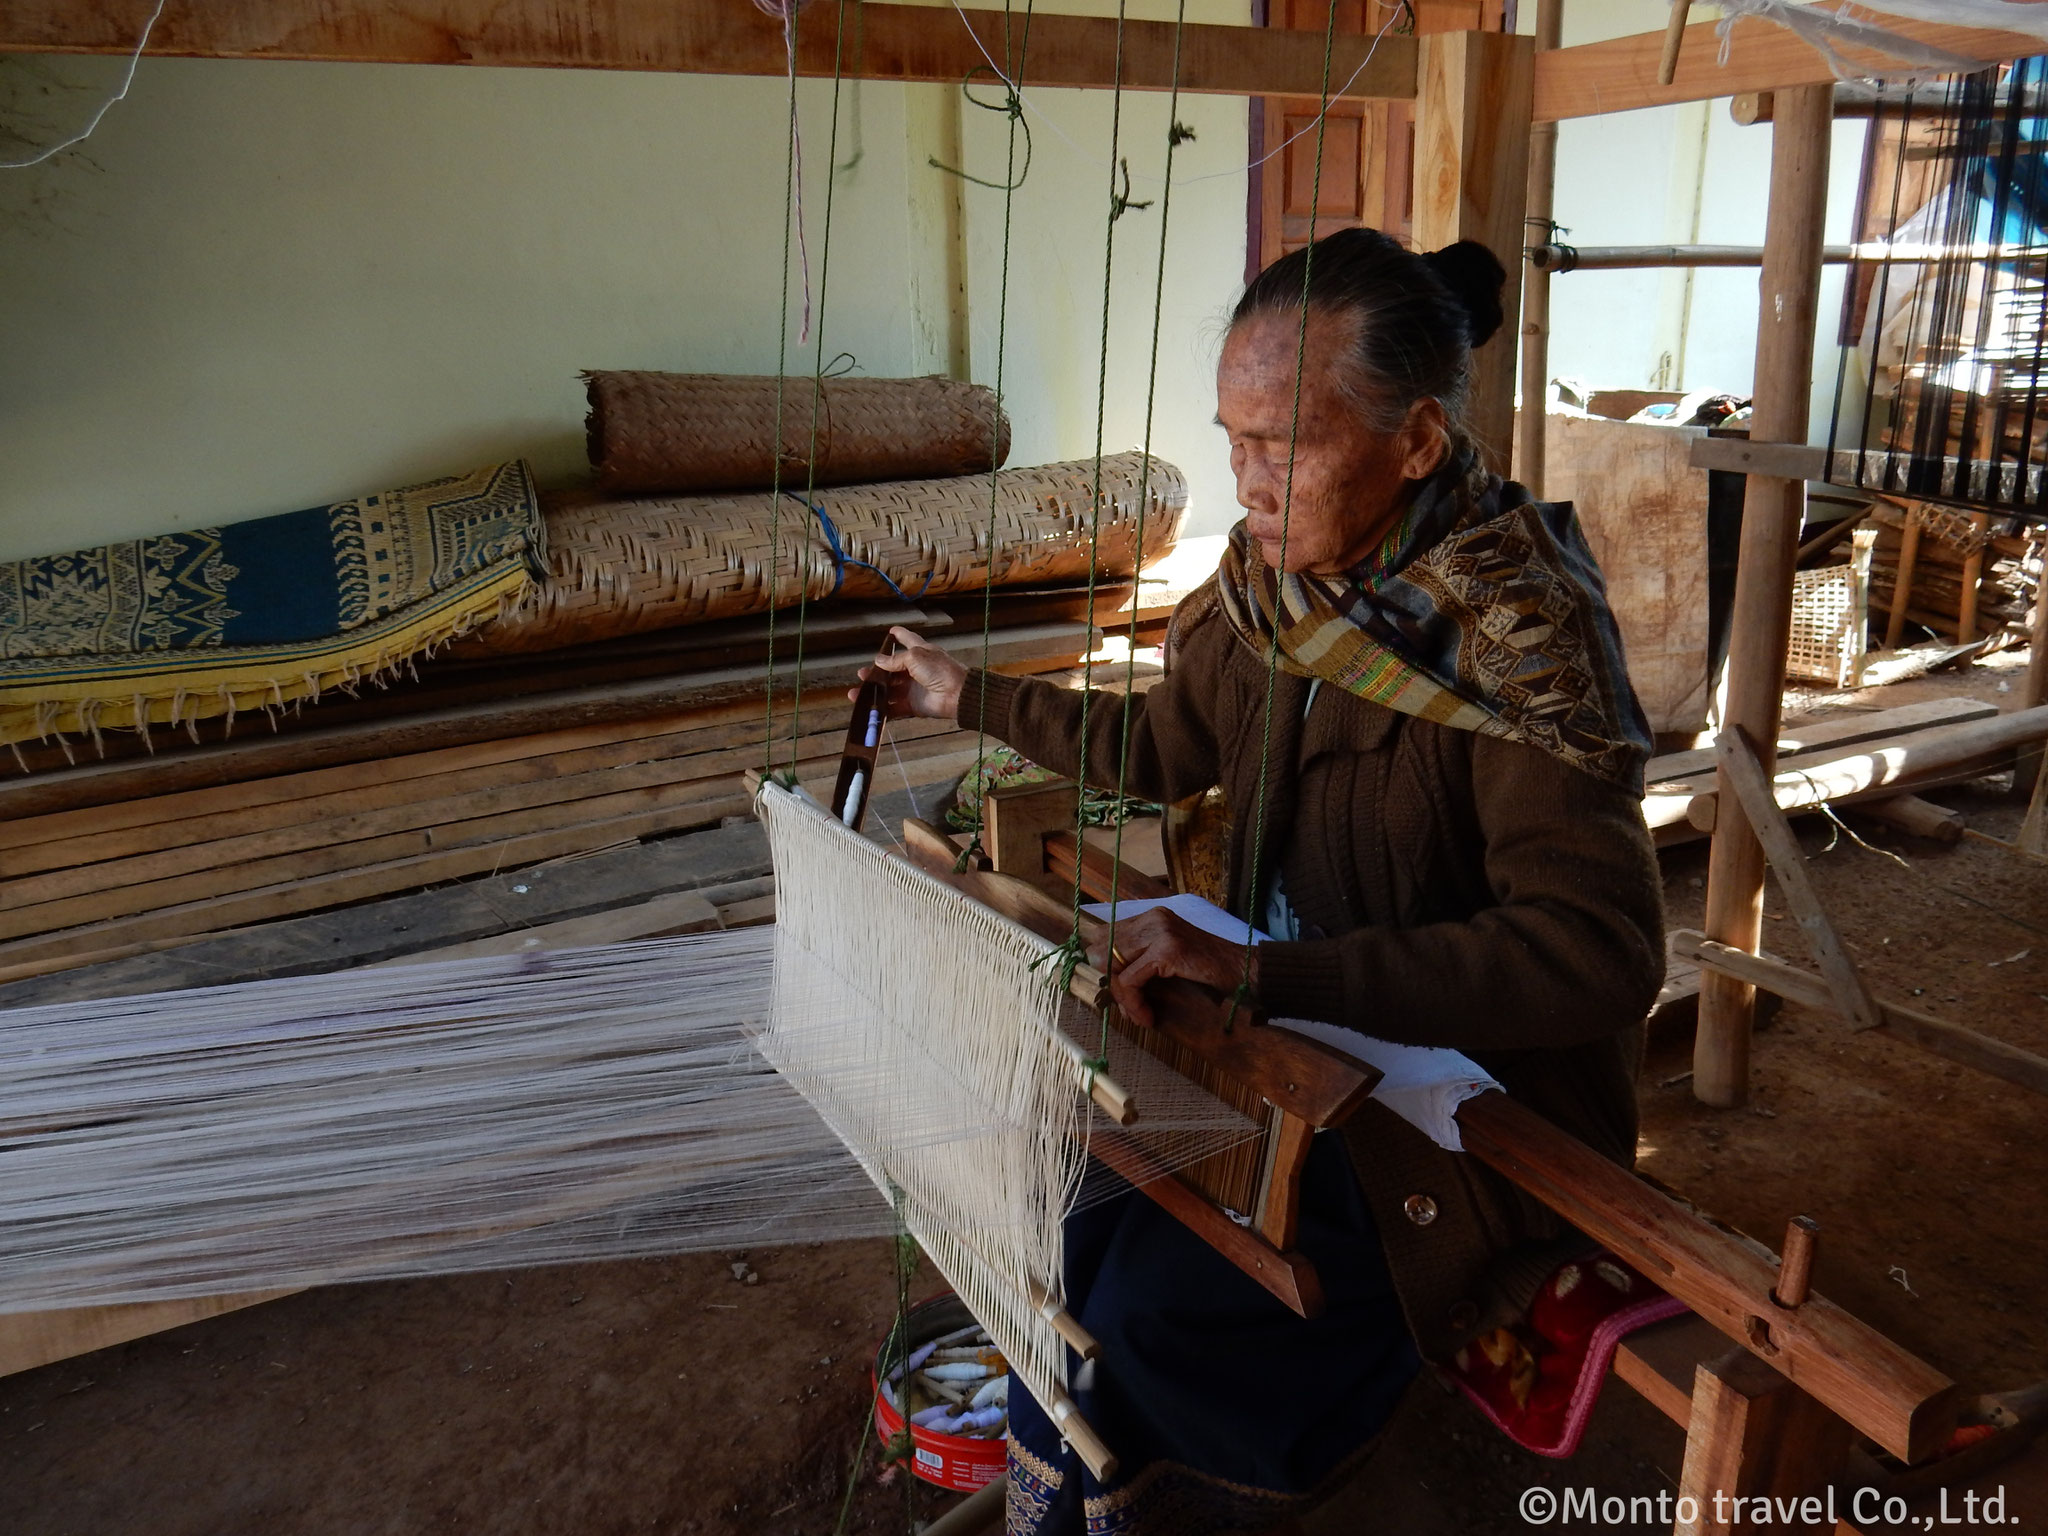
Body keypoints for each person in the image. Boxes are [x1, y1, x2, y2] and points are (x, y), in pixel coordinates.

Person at [857, 228, 1665, 1535]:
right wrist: (967, 695)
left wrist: (1268, 970)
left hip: (1463, 1103)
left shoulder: (1519, 642)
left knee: (1145, 1317)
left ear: (1413, 444)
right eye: (1233, 439)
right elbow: (1164, 748)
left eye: (1286, 444)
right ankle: (1088, 1483)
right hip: (1277, 1040)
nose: (1250, 482)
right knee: (1070, 1231)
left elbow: (1598, 955)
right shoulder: (1264, 595)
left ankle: (1173, 1480)